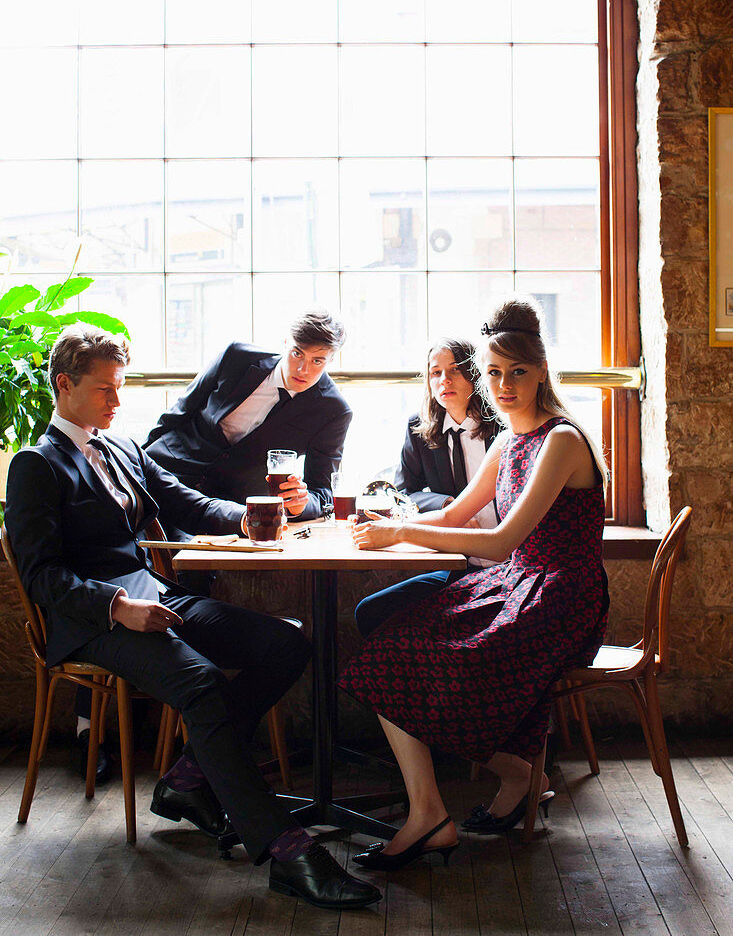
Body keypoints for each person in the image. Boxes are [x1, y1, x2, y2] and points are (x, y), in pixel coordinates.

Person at [5, 325, 380, 911]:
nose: (118, 401)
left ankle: (185, 779)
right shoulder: (35, 464)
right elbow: (41, 576)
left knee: (284, 646)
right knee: (202, 685)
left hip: (152, 591)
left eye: (120, 388)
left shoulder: (120, 448)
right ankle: (287, 851)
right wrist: (118, 609)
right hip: (94, 617)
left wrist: (260, 519)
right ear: (64, 386)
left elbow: (187, 502)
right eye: (105, 390)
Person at [339, 297, 609, 870]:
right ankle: (504, 783)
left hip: (560, 596)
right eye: (493, 373)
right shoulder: (509, 440)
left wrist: (398, 535)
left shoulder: (559, 439)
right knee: (388, 647)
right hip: (520, 585)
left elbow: (502, 542)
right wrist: (390, 525)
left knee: (396, 660)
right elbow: (457, 516)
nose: (504, 385)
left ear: (541, 373)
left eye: (518, 372)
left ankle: (431, 816)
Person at [143, 309, 351, 526]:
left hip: (227, 509)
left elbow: (322, 493)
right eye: (297, 353)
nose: (303, 369)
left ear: (331, 359)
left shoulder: (332, 410)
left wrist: (299, 505)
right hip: (164, 470)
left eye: (317, 361)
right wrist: (135, 463)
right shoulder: (237, 356)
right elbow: (178, 413)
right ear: (285, 341)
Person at [354, 338, 502, 637]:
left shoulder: (504, 428)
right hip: (463, 562)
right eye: (435, 373)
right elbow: (405, 492)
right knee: (372, 612)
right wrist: (446, 504)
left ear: (475, 374)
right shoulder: (419, 427)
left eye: (454, 370)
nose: (444, 380)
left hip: (507, 561)